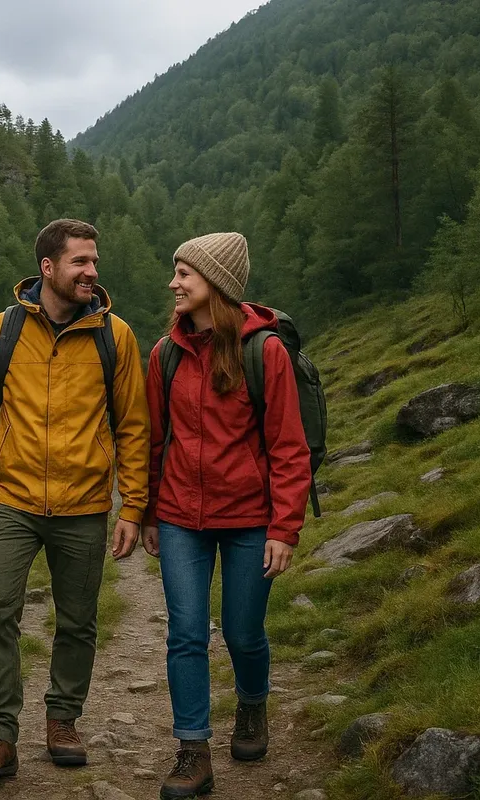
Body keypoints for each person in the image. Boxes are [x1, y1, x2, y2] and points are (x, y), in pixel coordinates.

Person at [0, 218, 151, 785]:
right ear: (48, 268)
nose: (92, 272)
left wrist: (133, 506)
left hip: (84, 503)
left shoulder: (115, 336)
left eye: (95, 261)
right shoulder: (0, 332)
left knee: (78, 621)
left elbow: (133, 425)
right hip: (11, 498)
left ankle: (63, 721)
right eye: (81, 262)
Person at [140, 232, 311, 799]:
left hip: (249, 520)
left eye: (185, 273)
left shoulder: (266, 353)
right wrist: (143, 512)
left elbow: (289, 447)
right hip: (179, 519)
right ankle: (193, 751)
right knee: (186, 634)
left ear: (216, 283)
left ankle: (253, 705)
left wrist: (285, 528)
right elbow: (153, 443)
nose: (174, 283)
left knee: (242, 634)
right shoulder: (165, 355)